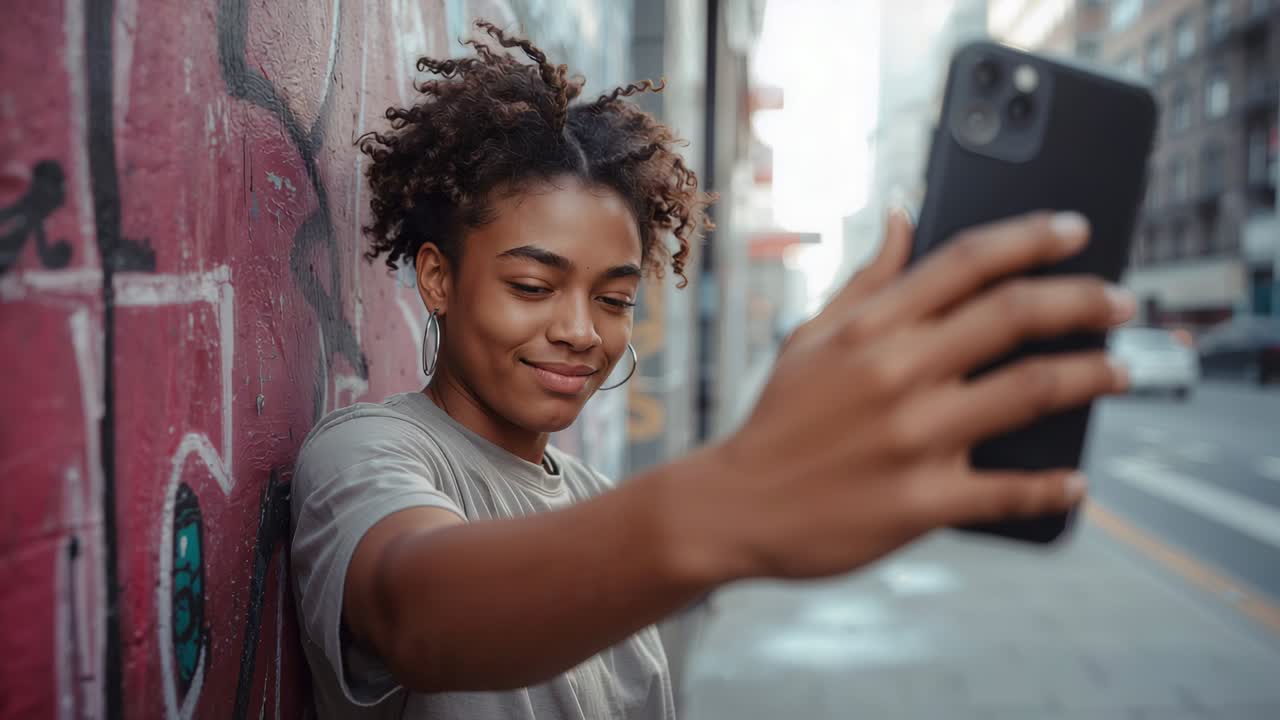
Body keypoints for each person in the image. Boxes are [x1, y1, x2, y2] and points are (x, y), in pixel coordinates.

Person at [290, 21, 1135, 720]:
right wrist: (734, 498)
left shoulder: (590, 497)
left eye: (615, 299)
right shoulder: (366, 453)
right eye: (532, 286)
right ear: (438, 277)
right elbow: (416, 611)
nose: (580, 330)